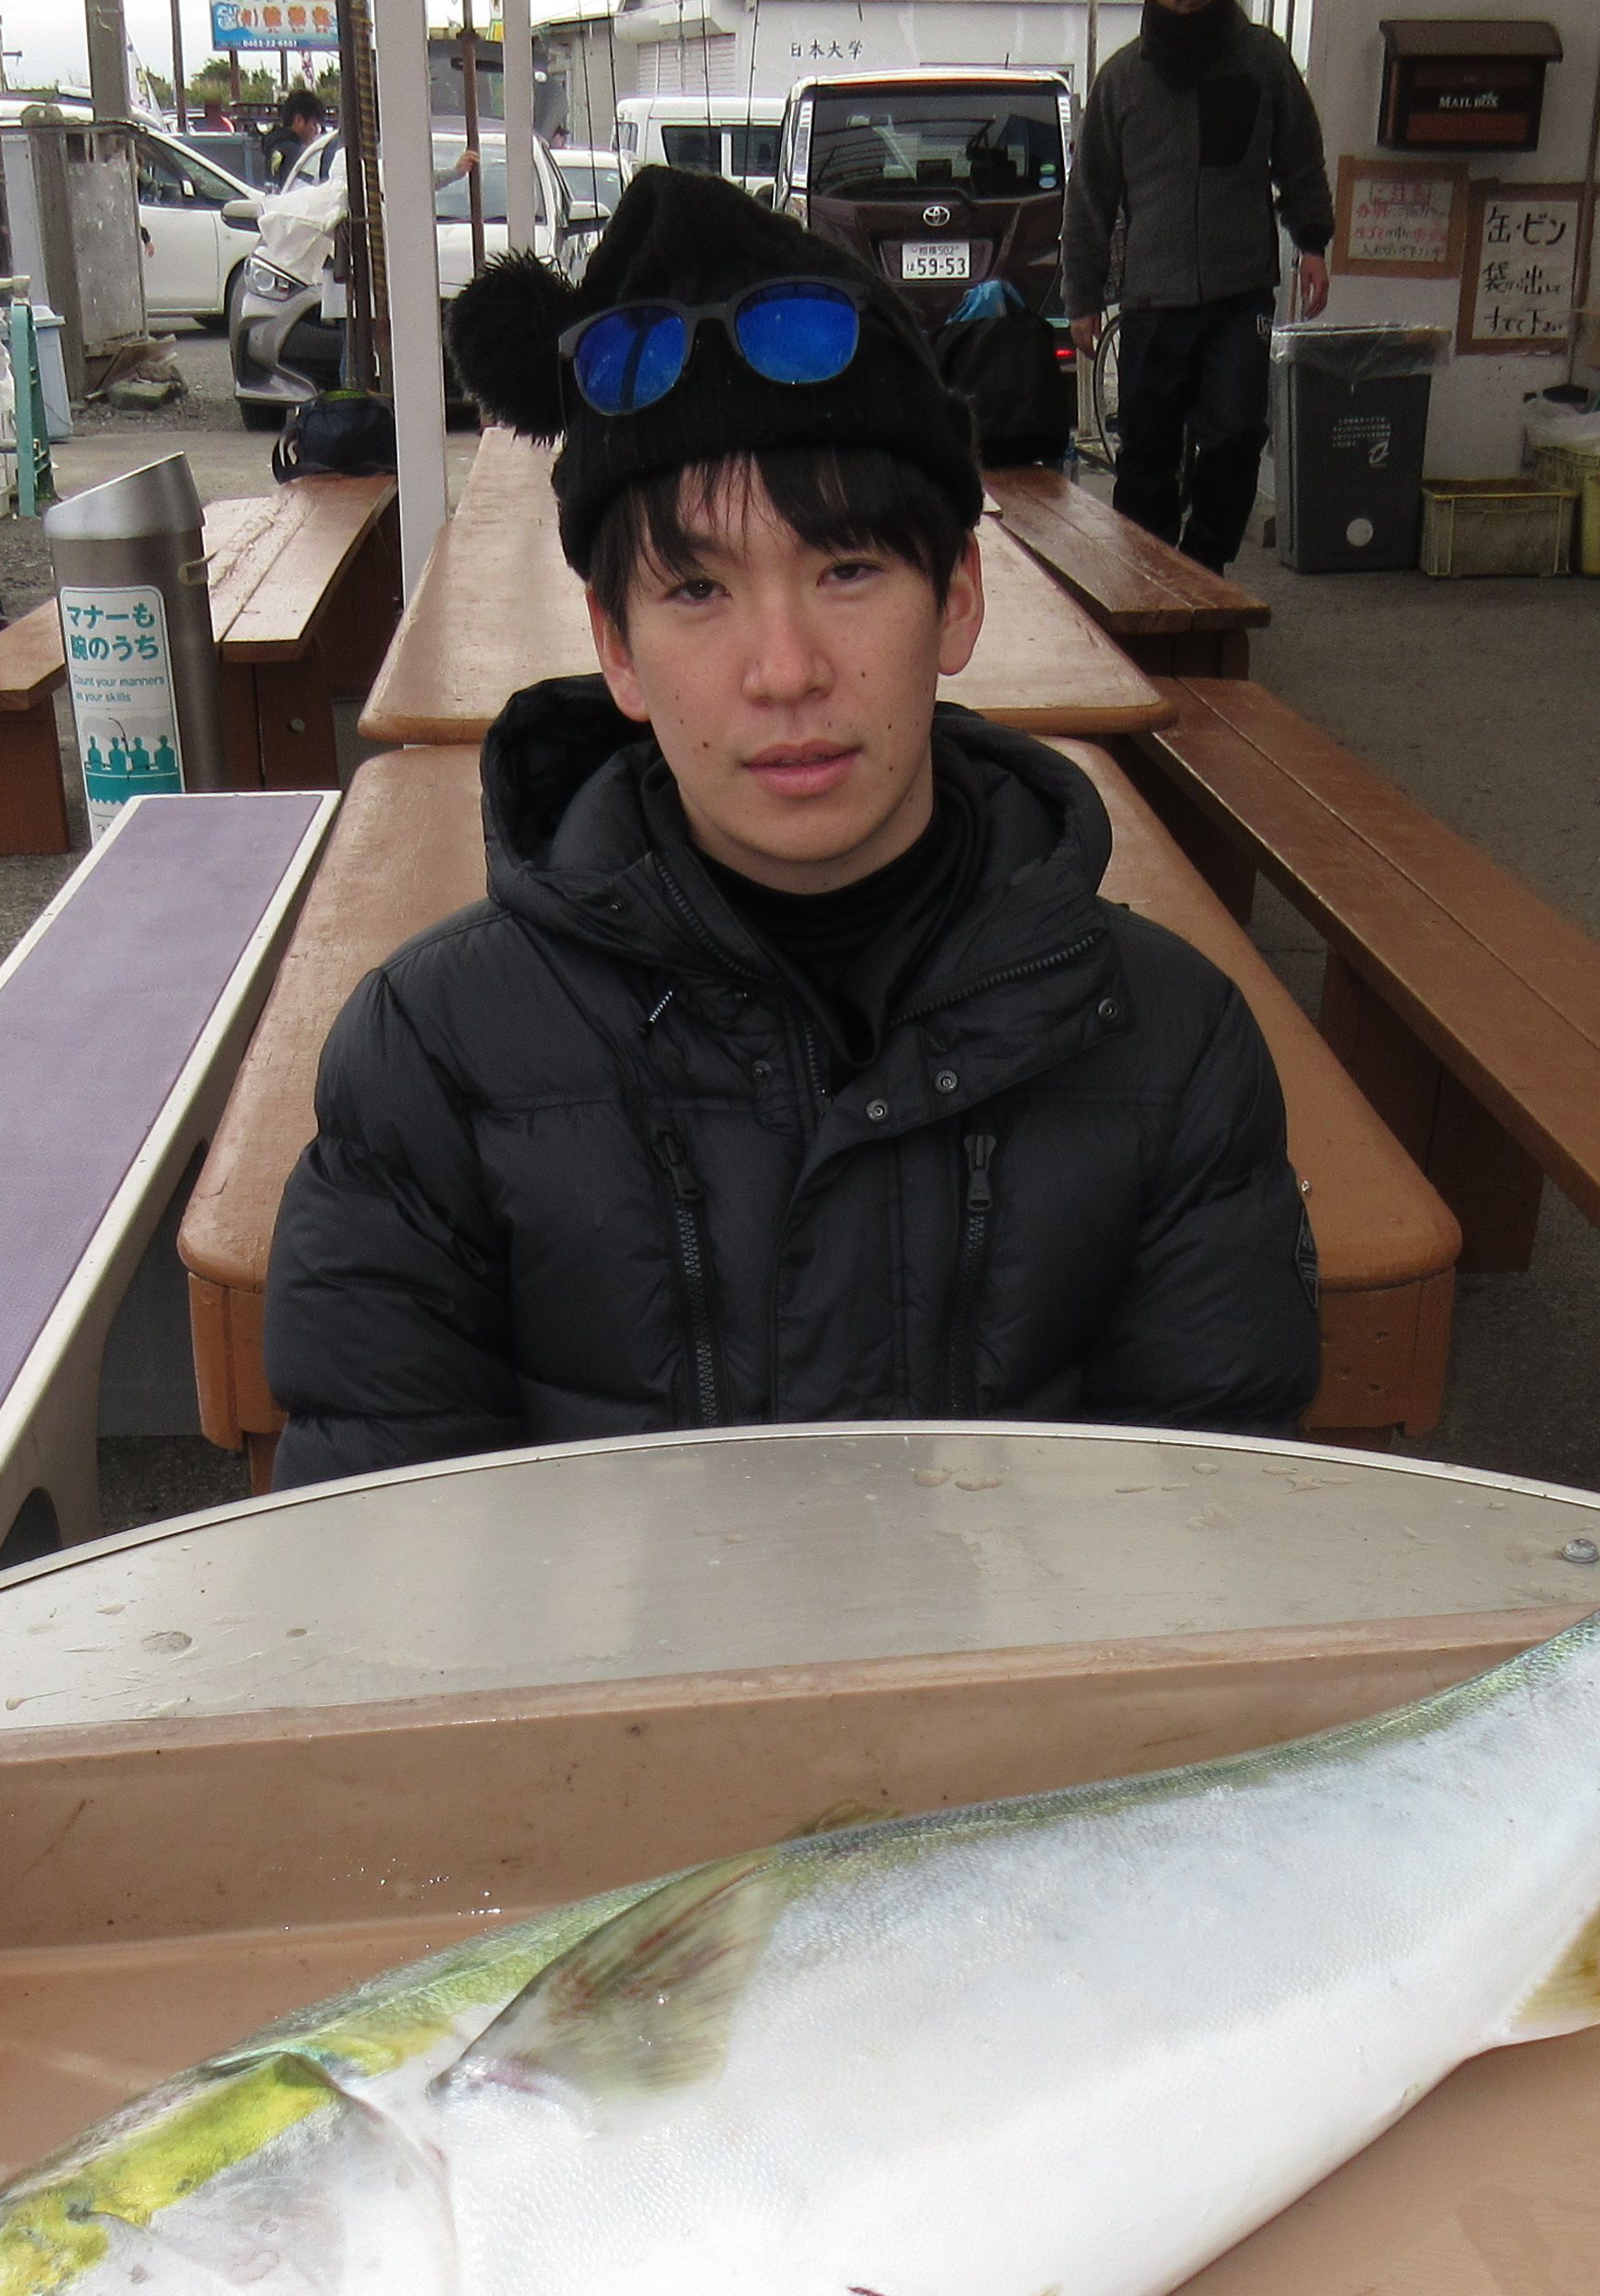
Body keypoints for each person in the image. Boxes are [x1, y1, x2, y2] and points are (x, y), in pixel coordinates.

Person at [260, 168, 1316, 1486]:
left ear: (959, 598)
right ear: (616, 648)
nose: (785, 670)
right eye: (696, 591)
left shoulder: (1170, 1045)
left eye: (849, 569)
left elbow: (1211, 1542)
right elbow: (379, 1550)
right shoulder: (432, 1059)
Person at [1061, 0, 1332, 574]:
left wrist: (1312, 240)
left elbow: (1300, 154)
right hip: (1152, 297)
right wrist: (1082, 294)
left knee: (1235, 434)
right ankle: (1149, 575)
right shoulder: (1122, 79)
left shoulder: (1262, 59)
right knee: (1146, 449)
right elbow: (1089, 196)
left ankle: (1205, 569)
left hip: (1240, 293)